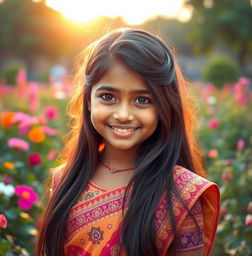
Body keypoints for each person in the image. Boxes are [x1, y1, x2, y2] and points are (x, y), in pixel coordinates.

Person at [36, 28, 220, 256]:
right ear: (89, 100)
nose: (123, 114)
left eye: (142, 100)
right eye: (108, 97)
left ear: (164, 106)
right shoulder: (65, 181)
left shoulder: (182, 195)